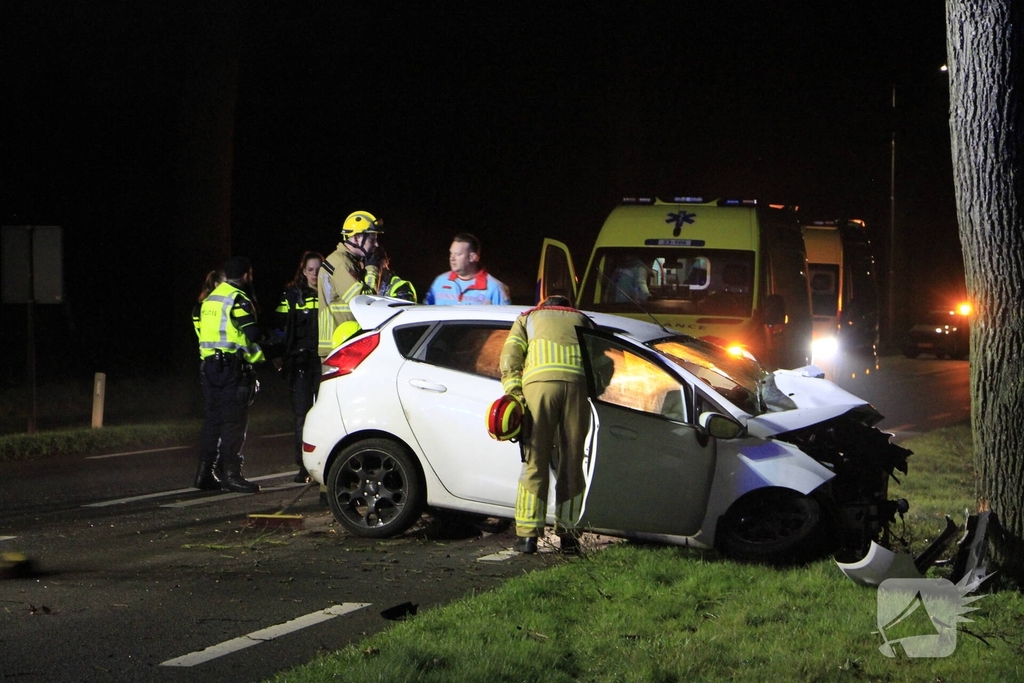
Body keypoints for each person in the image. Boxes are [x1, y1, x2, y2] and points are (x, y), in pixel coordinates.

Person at [499, 295, 594, 554]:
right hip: (577, 388)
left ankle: (527, 537)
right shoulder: (584, 319)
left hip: (539, 389)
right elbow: (602, 364)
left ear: (545, 306)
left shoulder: (528, 317)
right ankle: (570, 537)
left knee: (534, 460)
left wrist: (515, 394)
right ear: (568, 307)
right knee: (572, 461)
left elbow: (509, 360)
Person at [194, 255, 264, 493]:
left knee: (213, 421)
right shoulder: (237, 298)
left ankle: (204, 473)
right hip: (232, 368)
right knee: (234, 423)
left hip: (209, 368)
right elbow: (252, 335)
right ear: (246, 275)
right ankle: (232, 475)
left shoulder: (211, 299)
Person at [269, 251, 323, 483]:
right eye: (310, 269)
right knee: (302, 415)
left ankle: (322, 464)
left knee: (324, 415)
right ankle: (303, 466)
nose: (314, 274)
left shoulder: (330, 293)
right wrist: (277, 355)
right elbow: (279, 327)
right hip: (300, 363)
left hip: (324, 362)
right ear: (302, 271)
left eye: (318, 269)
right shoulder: (291, 295)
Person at [317, 210, 386, 360]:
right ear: (356, 238)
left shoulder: (347, 261)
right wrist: (373, 270)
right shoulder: (342, 264)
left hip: (342, 343)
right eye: (371, 239)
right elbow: (364, 302)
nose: (376, 244)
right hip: (340, 347)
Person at [424, 233, 511, 305]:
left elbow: (507, 324)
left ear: (472, 257)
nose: (452, 258)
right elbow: (425, 314)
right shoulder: (440, 281)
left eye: (458, 254)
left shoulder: (495, 288)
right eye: (451, 253)